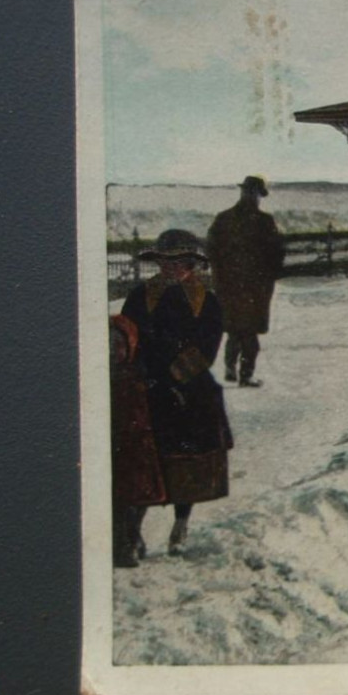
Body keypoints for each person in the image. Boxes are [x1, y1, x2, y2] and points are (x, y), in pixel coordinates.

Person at [120, 229, 233, 554]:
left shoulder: (206, 301)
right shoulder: (140, 296)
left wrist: (176, 379)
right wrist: (142, 374)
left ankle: (180, 524)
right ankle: (133, 532)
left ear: (192, 265)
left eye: (181, 262)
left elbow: (207, 347)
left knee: (188, 464)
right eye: (166, 262)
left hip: (189, 388)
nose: (173, 268)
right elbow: (128, 337)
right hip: (146, 384)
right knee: (141, 461)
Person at [206, 175, 285, 388]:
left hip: (230, 286)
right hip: (253, 288)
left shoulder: (224, 218)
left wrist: (218, 276)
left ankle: (231, 368)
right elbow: (277, 253)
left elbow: (211, 250)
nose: (253, 197)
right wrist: (269, 276)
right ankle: (245, 374)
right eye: (254, 193)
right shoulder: (264, 221)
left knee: (235, 329)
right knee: (248, 331)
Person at [109, 314, 164, 568]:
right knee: (118, 503)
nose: (111, 352)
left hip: (138, 448)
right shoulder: (97, 377)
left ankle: (132, 538)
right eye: (107, 346)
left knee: (138, 500)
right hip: (113, 449)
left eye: (117, 345)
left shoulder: (139, 374)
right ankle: (123, 546)